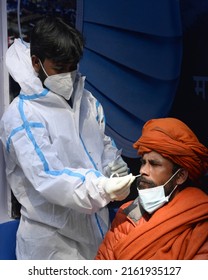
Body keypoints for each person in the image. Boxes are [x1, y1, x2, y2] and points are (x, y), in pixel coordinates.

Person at [0, 17, 135, 260]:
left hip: (95, 233)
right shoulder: (22, 115)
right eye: (59, 68)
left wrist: (115, 170)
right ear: (36, 63)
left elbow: (102, 145)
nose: (68, 75)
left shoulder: (87, 102)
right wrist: (101, 187)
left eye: (72, 67)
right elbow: (47, 177)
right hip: (50, 244)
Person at [95, 117, 208, 260]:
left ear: (180, 176)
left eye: (154, 164)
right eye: (143, 162)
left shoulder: (200, 222)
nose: (143, 170)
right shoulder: (127, 212)